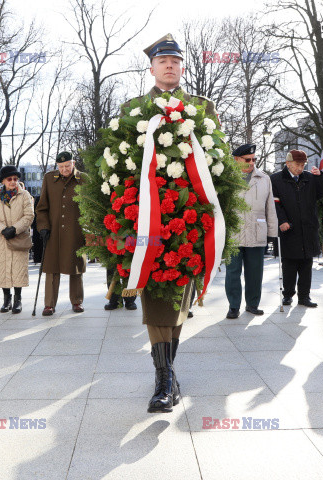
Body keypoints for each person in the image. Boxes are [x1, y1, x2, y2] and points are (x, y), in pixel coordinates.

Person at [123, 34, 218, 413]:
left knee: (178, 296)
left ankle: (168, 372)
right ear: (151, 68)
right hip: (146, 219)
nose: (169, 65)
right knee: (155, 296)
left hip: (190, 220)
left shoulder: (201, 107)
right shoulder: (134, 108)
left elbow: (217, 165)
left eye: (175, 60)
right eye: (163, 60)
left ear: (181, 67)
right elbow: (121, 162)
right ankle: (164, 379)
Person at [225, 144, 278, 319]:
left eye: (254, 159)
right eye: (247, 159)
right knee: (232, 272)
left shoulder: (264, 178)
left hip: (257, 231)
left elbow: (270, 207)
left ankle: (253, 304)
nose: (251, 163)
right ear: (236, 160)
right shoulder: (226, 178)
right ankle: (233, 306)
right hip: (234, 231)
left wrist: (272, 232)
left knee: (255, 271)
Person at [271, 149, 323, 307]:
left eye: (303, 164)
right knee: (289, 264)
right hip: (288, 228)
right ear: (288, 163)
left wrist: (319, 177)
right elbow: (275, 204)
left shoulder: (310, 178)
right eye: (297, 164)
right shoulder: (276, 179)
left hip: (308, 227)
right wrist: (282, 221)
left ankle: (304, 297)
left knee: (306, 265)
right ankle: (288, 295)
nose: (300, 168)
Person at [36, 152, 87, 315]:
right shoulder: (49, 179)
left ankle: (77, 301)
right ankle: (49, 304)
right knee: (52, 268)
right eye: (61, 167)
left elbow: (89, 206)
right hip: (53, 231)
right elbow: (42, 207)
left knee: (76, 267)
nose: (64, 169)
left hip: (76, 230)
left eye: (67, 166)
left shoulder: (83, 179)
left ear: (73, 163)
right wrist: (43, 226)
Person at [0, 166, 34, 314]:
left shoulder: (25, 195)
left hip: (18, 237)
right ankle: (7, 299)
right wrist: (2, 229)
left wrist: (14, 229)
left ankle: (18, 299)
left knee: (18, 268)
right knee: (2, 268)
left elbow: (29, 216)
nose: (13, 182)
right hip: (0, 238)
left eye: (15, 179)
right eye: (9, 179)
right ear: (3, 181)